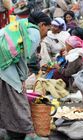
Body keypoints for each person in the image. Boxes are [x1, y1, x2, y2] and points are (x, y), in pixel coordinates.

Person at [0, 11, 51, 139]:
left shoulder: (20, 24)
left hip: (3, 61)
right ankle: (29, 133)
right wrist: (22, 78)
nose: (47, 33)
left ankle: (7, 130)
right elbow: (22, 58)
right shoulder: (34, 33)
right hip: (5, 65)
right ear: (41, 25)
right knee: (19, 99)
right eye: (47, 29)